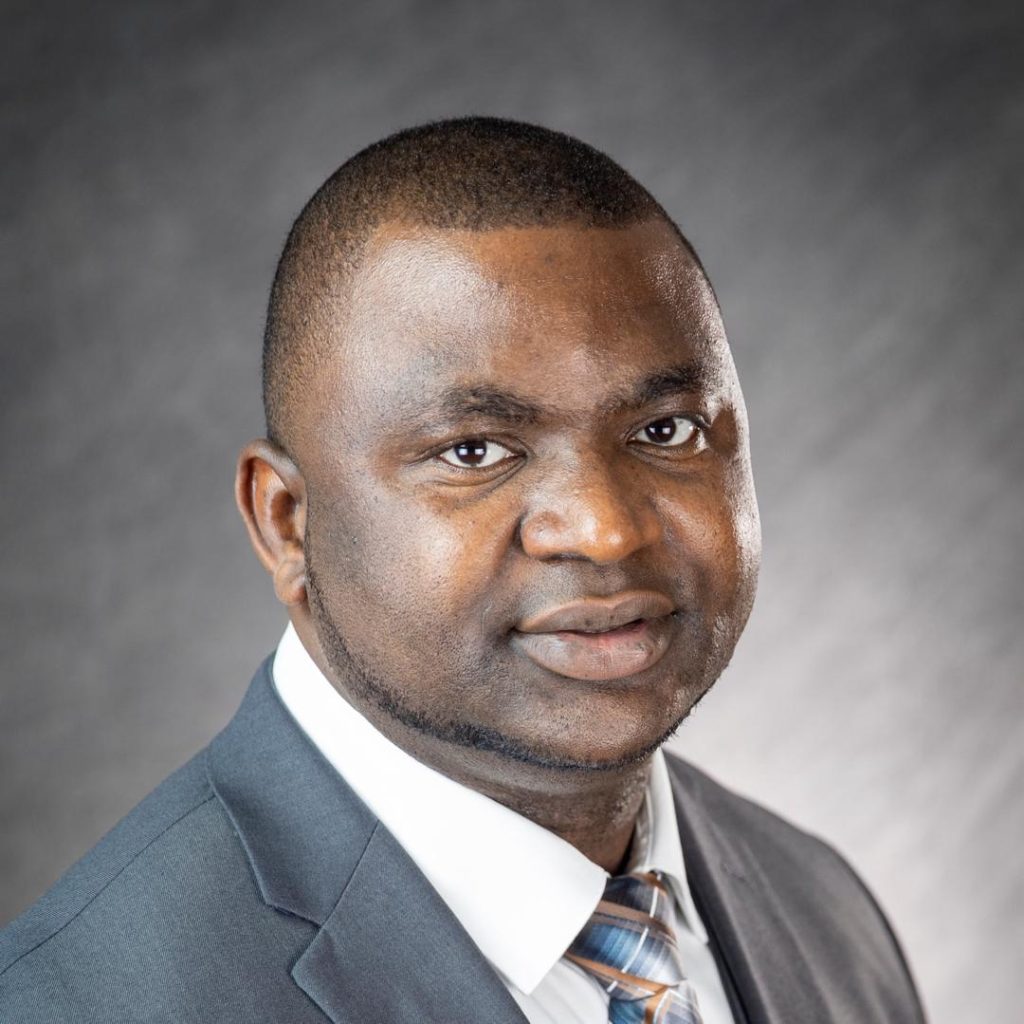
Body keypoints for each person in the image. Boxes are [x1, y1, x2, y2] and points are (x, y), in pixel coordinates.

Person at [0, 117, 925, 1023]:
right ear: (287, 524)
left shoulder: (824, 910)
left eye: (665, 430)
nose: (605, 531)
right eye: (474, 451)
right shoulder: (80, 1003)